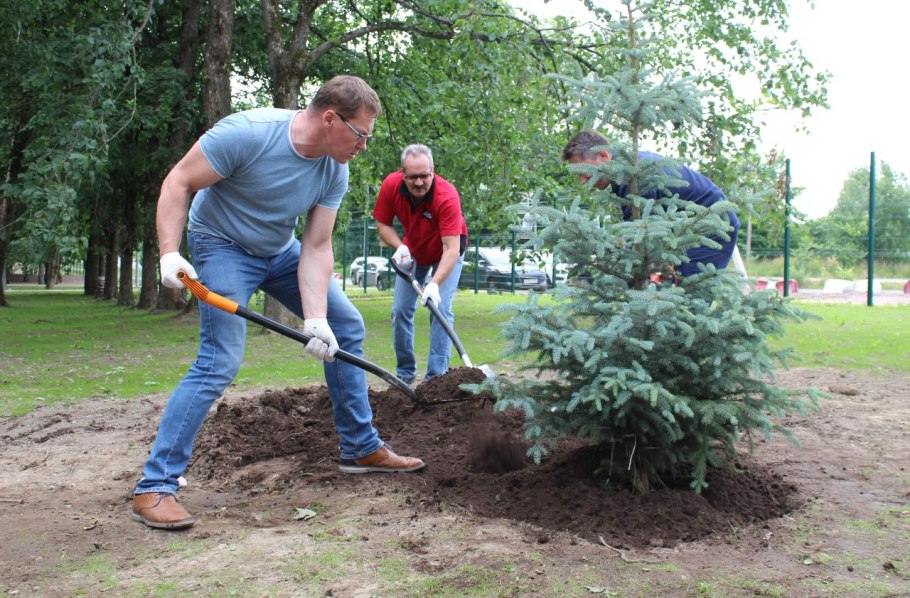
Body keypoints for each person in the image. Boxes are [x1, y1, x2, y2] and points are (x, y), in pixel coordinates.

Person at [132, 75, 425, 531]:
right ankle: (155, 486)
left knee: (344, 327)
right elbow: (179, 181)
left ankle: (361, 447)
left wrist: (315, 318)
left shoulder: (334, 169)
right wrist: (170, 251)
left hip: (279, 250)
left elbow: (316, 245)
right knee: (219, 361)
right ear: (330, 118)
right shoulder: (247, 134)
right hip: (222, 245)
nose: (364, 146)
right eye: (361, 134)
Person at [562, 129, 740, 278]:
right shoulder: (623, 172)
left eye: (584, 171)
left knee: (687, 296)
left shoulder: (633, 175)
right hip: (686, 227)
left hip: (712, 226)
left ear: (603, 155)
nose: (582, 181)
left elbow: (645, 236)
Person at [372, 144, 468, 383]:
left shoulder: (446, 196)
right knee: (400, 310)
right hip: (413, 251)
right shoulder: (391, 186)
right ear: (402, 174)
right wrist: (399, 246)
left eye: (424, 176)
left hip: (447, 252)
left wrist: (434, 285)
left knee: (440, 310)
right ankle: (405, 373)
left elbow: (451, 249)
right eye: (412, 177)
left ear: (432, 171)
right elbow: (382, 224)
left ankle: (436, 379)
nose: (418, 182)